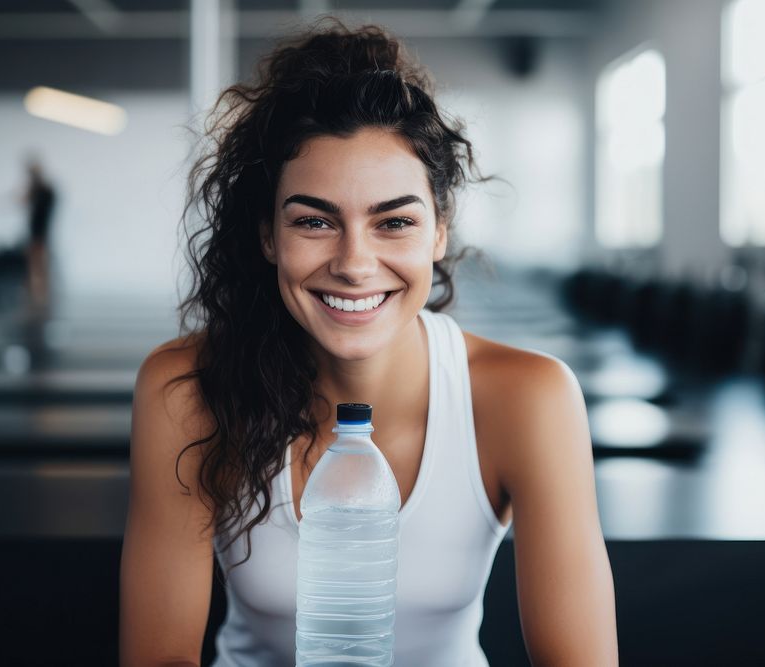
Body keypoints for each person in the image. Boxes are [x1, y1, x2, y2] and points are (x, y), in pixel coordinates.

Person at [119, 19, 618, 667]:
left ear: (440, 230)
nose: (355, 263)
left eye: (394, 221)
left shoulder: (530, 398)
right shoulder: (185, 389)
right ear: (269, 237)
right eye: (316, 220)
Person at [22, 156, 56, 310]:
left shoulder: (43, 190)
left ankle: (40, 299)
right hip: (38, 233)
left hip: (40, 234)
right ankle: (39, 298)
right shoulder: (42, 190)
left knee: (38, 268)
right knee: (38, 267)